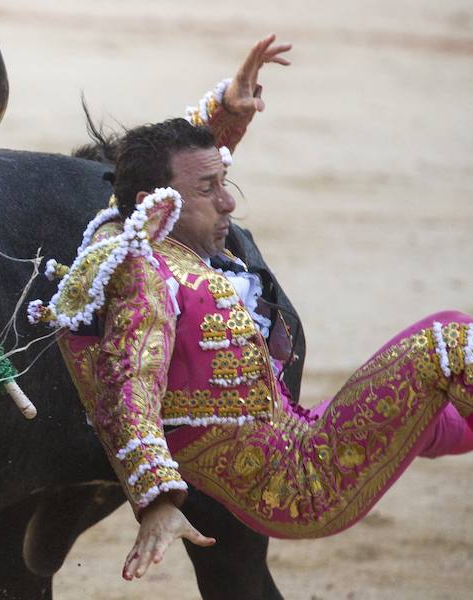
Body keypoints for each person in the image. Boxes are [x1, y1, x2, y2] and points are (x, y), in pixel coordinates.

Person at [28, 34, 473, 581]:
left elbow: (165, 168)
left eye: (225, 181)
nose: (229, 202)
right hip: (303, 480)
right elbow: (130, 385)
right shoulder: (144, 277)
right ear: (158, 204)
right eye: (211, 188)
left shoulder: (133, 227)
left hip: (293, 429)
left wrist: (227, 110)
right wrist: (158, 500)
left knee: (432, 412)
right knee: (450, 343)